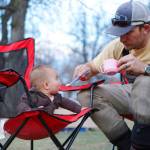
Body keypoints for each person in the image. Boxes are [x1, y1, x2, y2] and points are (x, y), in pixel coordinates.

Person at [73, 1, 150, 150]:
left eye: (128, 32)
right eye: (119, 33)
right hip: (134, 96)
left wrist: (145, 68)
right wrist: (85, 69)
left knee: (144, 83)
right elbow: (93, 67)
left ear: (145, 28)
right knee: (87, 95)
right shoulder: (120, 46)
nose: (122, 39)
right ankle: (129, 145)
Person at [17, 65, 81, 115]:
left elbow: (69, 104)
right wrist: (29, 110)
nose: (60, 82)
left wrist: (81, 109)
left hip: (46, 126)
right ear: (46, 85)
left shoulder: (57, 97)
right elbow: (22, 105)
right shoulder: (31, 95)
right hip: (31, 123)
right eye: (56, 79)